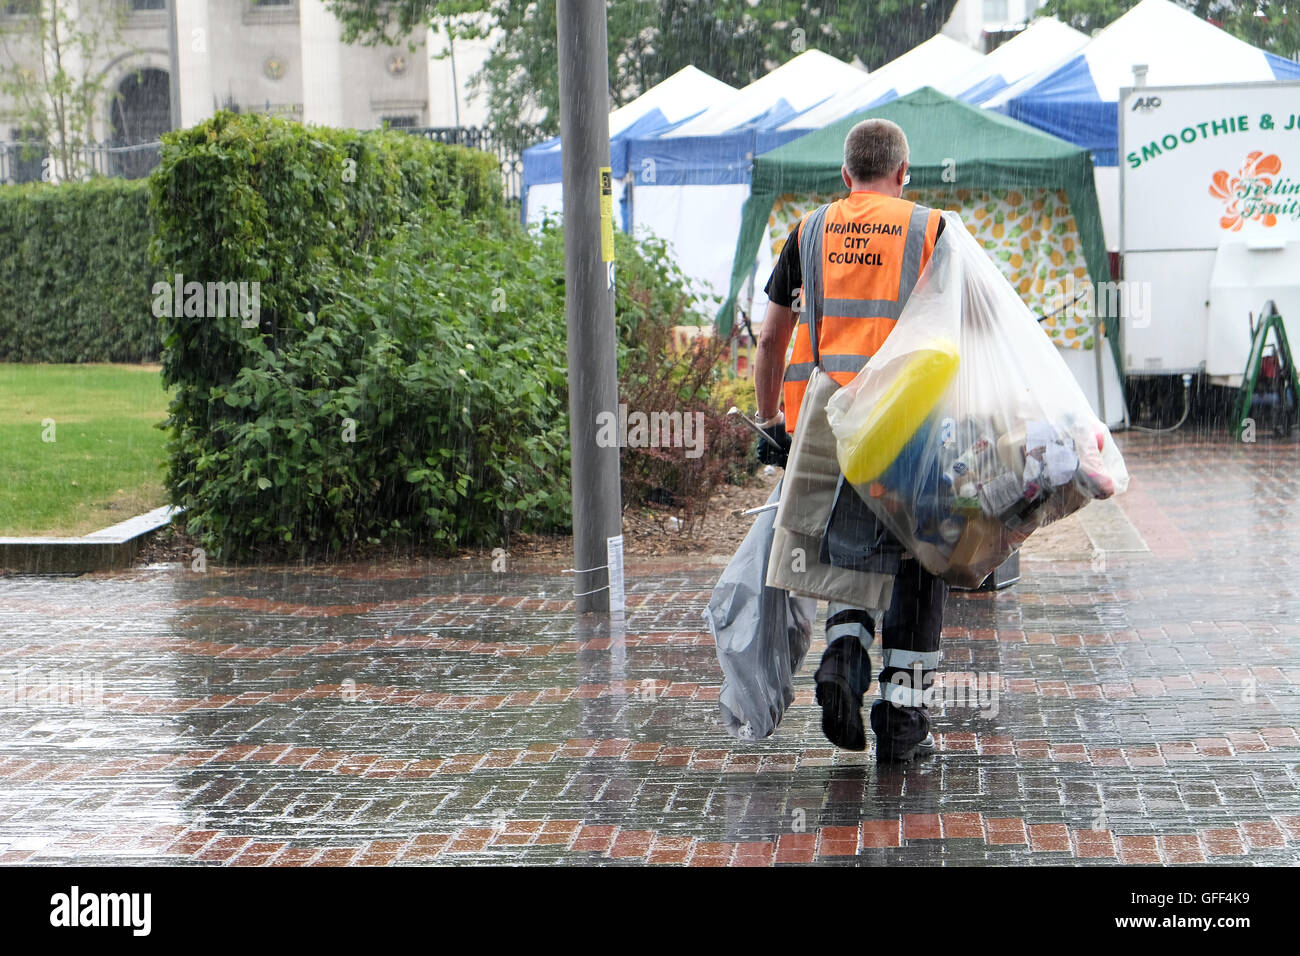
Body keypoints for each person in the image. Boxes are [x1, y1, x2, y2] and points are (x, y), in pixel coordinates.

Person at [753, 118, 953, 763]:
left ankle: (842, 661)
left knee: (847, 554)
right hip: (914, 426)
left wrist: (770, 424)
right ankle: (902, 719)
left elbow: (770, 338)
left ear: (845, 175)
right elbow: (969, 330)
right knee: (921, 565)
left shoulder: (809, 230)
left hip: (832, 423)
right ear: (903, 173)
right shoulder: (932, 229)